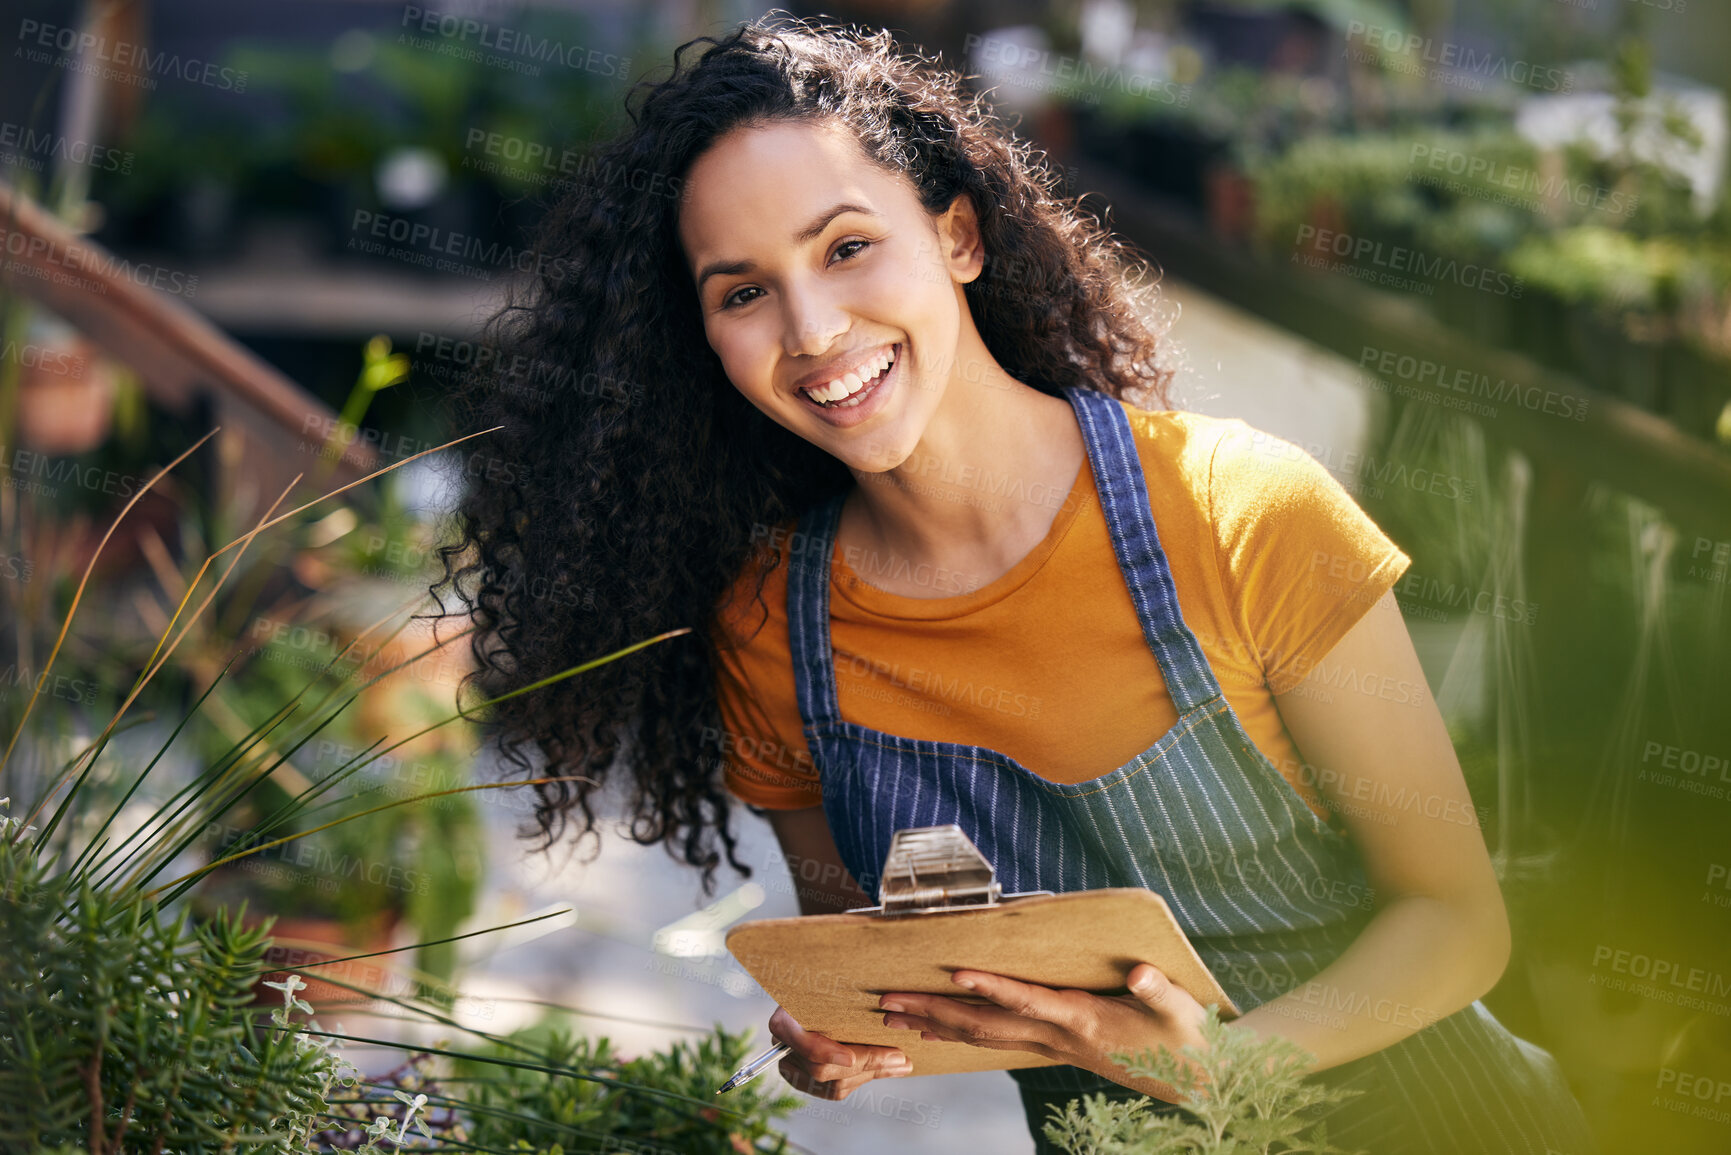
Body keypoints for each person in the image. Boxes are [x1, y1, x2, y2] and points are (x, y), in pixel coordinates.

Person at [434, 15, 1599, 1154]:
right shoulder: (775, 632)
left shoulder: (1245, 516)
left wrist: (1227, 1074)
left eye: (847, 247)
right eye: (743, 292)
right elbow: (872, 949)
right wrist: (851, 1025)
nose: (814, 327)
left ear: (959, 239)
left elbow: (1456, 923)